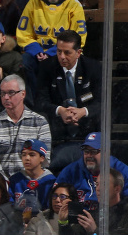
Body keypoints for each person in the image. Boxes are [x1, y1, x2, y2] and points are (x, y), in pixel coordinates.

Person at [35, 30, 102, 173]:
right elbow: (40, 101)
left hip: (87, 126)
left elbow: (103, 102)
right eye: (59, 52)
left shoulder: (93, 67)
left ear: (78, 52)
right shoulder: (47, 67)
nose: (62, 57)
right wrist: (60, 111)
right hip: (58, 128)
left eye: (67, 52)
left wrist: (83, 112)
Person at [17, 0, 87, 99]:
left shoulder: (73, 4)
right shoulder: (33, 2)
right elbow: (23, 33)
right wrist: (37, 51)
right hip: (36, 53)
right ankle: (32, 103)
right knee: (23, 63)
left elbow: (79, 37)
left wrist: (52, 52)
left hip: (63, 53)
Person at [0, 75, 52, 177]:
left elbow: (44, 159)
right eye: (3, 93)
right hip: (2, 183)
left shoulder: (40, 122)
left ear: (23, 94)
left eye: (11, 93)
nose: (6, 97)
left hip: (30, 181)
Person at [55, 133, 128, 209]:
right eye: (86, 151)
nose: (89, 155)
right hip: (77, 218)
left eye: (94, 152)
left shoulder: (125, 172)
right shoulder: (70, 171)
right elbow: (55, 198)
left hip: (110, 218)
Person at [76, 168, 128, 235]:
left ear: (117, 189)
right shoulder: (92, 214)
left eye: (103, 184)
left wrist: (95, 231)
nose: (98, 189)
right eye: (97, 184)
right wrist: (63, 223)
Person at [23, 182, 87, 235]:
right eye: (54, 196)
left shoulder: (80, 222)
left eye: (62, 197)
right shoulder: (36, 221)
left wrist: (63, 222)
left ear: (72, 200)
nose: (57, 200)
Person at [7, 139, 55, 209]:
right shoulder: (15, 180)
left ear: (42, 158)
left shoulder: (50, 181)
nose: (27, 158)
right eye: (24, 155)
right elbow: (9, 205)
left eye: (32, 155)